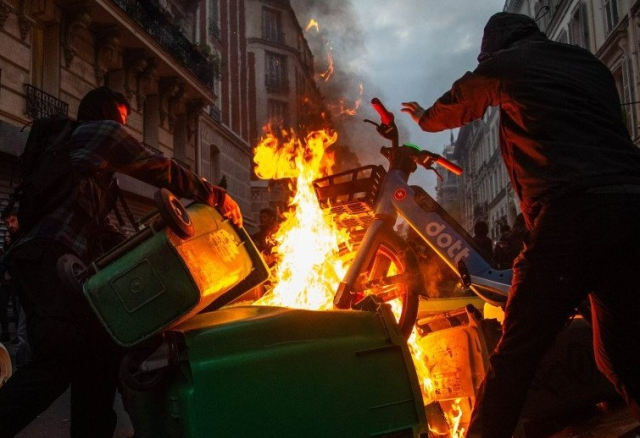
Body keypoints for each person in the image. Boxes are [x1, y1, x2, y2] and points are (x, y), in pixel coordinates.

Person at [401, 12, 640, 437]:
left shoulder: (508, 64)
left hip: (573, 212)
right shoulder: (588, 64)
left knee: (517, 349)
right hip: (631, 204)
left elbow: (460, 100)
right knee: (620, 350)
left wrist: (422, 119)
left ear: (493, 50)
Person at [0, 86, 243, 438]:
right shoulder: (97, 133)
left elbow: (101, 230)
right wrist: (214, 194)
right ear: (104, 113)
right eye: (122, 118)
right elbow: (159, 167)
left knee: (99, 357)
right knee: (55, 363)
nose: (123, 127)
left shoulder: (86, 165)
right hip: (49, 261)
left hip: (54, 266)